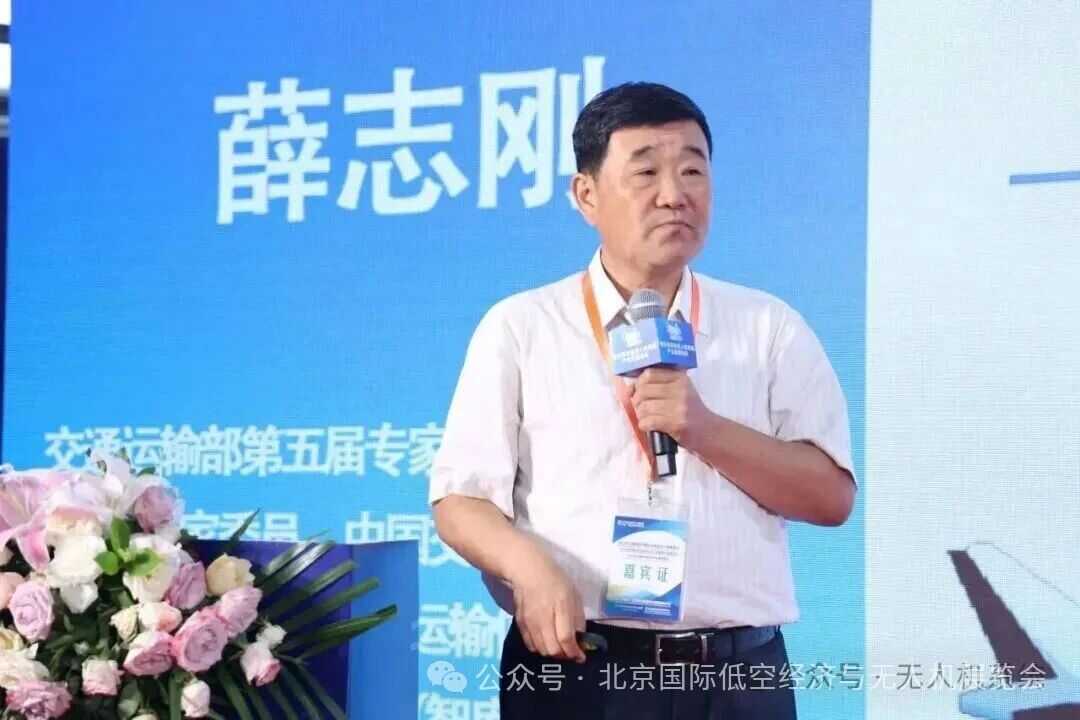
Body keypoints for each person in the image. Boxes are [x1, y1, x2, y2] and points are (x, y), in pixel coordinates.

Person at [429, 82, 855, 720]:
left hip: (738, 677)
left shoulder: (769, 327)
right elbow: (460, 501)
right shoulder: (522, 327)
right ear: (586, 195)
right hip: (579, 667)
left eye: (692, 170)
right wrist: (528, 568)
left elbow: (831, 497)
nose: (674, 194)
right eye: (646, 172)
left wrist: (702, 427)